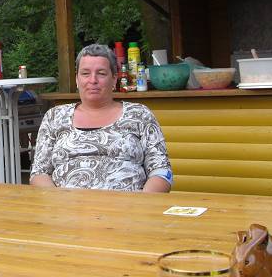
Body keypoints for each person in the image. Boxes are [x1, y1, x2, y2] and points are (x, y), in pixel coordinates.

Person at [30, 43, 172, 192]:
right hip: (66, 205)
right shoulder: (54, 117)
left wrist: (141, 203)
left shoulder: (139, 114)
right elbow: (39, 173)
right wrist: (58, 199)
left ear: (114, 79)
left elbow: (161, 171)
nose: (93, 80)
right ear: (77, 79)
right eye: (85, 73)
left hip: (128, 205)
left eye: (101, 73)